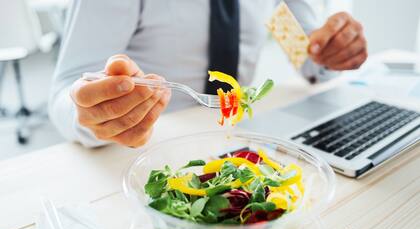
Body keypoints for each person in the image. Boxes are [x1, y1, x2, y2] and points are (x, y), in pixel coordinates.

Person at [49, 0, 367, 148]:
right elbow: (69, 87)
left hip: (240, 139)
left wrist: (333, 51)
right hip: (147, 147)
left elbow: (309, 56)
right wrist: (95, 116)